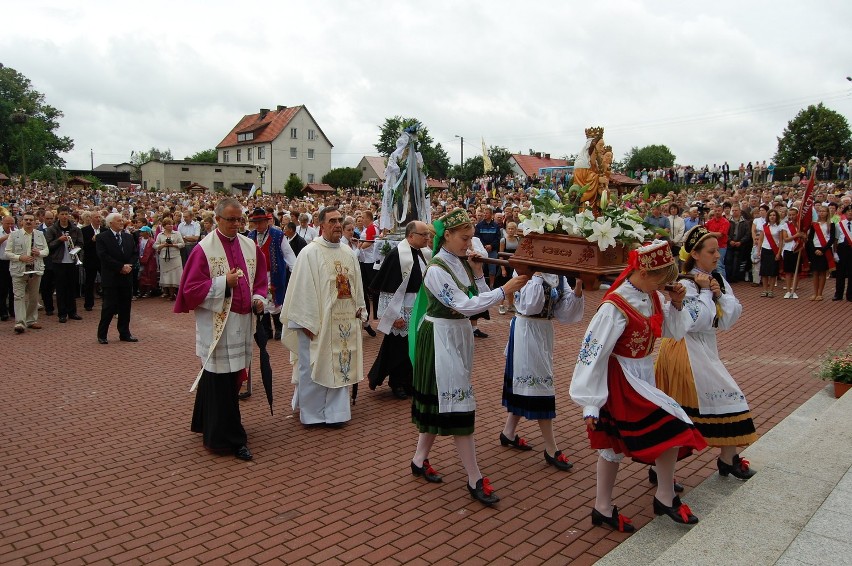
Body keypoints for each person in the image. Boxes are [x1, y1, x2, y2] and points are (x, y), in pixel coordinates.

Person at [570, 240, 706, 532]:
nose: (663, 286)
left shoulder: (652, 296)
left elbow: (672, 330)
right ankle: (651, 498)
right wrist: (590, 403)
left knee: (634, 440)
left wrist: (677, 303)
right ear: (644, 273)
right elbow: (592, 352)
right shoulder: (614, 306)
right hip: (622, 380)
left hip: (643, 373)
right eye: (660, 279)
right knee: (671, 426)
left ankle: (626, 502)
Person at [408, 209, 529, 506]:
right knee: (458, 403)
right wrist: (506, 289)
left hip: (456, 336)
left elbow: (479, 298)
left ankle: (419, 458)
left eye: (471, 238)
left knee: (444, 400)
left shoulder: (461, 263)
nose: (469, 244)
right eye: (464, 238)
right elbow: (466, 305)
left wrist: (477, 273)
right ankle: (474, 477)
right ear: (446, 236)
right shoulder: (437, 269)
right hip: (439, 338)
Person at [656, 227, 757, 485]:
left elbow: (728, 320)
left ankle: (727, 459)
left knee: (690, 411)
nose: (717, 256)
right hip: (684, 350)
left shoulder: (717, 280)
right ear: (696, 254)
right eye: (711, 252)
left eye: (717, 251)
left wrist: (718, 294)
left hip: (705, 349)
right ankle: (662, 468)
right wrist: (703, 293)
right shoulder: (685, 283)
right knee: (689, 410)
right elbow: (694, 322)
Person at [174, 197, 268, 461]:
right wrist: (222, 283)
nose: (237, 224)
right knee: (221, 381)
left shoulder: (250, 246)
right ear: (217, 220)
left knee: (226, 378)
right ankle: (228, 438)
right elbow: (190, 291)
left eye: (240, 219)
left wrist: (259, 299)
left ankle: (204, 422)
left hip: (241, 323)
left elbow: (260, 281)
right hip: (217, 326)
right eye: (231, 219)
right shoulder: (203, 249)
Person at [281, 207, 366, 426]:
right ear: (321, 225)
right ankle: (313, 415)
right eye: (332, 221)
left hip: (344, 322)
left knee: (341, 365)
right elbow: (301, 289)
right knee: (313, 368)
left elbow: (356, 286)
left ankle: (337, 415)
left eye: (340, 220)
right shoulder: (310, 253)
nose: (337, 225)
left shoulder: (348, 253)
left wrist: (359, 309)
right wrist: (304, 322)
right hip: (316, 323)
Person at [500, 272, 584, 472]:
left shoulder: (558, 274)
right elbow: (531, 306)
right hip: (527, 330)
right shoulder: (524, 271)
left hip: (543, 331)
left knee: (529, 383)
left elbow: (564, 312)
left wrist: (579, 285)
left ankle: (508, 432)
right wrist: (536, 276)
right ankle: (551, 448)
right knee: (540, 388)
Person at [367, 221, 431, 399]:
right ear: (411, 236)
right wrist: (394, 315)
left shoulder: (424, 254)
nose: (427, 238)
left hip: (420, 308)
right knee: (399, 349)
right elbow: (388, 288)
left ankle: (410, 381)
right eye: (424, 234)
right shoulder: (397, 255)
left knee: (416, 347)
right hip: (403, 308)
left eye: (428, 234)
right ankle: (397, 383)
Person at [95, 213, 139, 344]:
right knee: (109, 307)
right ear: (110, 223)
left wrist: (129, 265)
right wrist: (120, 267)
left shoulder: (128, 237)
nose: (122, 222)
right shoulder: (102, 237)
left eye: (122, 220)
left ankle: (124, 333)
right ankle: (102, 334)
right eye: (119, 220)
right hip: (112, 277)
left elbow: (134, 253)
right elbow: (103, 256)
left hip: (127, 276)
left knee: (126, 307)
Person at [248, 208, 289, 342]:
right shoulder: (250, 236)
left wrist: (295, 271)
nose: (258, 225)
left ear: (267, 221)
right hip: (257, 275)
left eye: (261, 222)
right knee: (261, 300)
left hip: (274, 273)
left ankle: (279, 327)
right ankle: (266, 330)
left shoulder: (277, 235)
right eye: (256, 222)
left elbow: (288, 254)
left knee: (274, 301)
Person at [5, 213, 47, 333]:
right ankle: (19, 323)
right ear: (21, 222)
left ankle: (31, 320)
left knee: (34, 297)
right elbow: (7, 253)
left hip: (36, 269)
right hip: (19, 269)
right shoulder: (13, 235)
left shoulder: (40, 234)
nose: (28, 222)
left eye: (31, 220)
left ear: (35, 222)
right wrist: (20, 257)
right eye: (26, 220)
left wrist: (39, 253)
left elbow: (46, 250)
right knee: (19, 296)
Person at [45, 205, 84, 323]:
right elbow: (48, 245)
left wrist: (76, 248)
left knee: (72, 288)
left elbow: (81, 244)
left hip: (72, 261)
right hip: (58, 262)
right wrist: (59, 240)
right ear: (58, 215)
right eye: (62, 214)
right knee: (61, 288)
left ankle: (72, 311)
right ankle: (62, 313)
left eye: (66, 214)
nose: (64, 216)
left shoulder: (75, 229)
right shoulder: (52, 229)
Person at [806, 205, 837, 301]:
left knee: (823, 272)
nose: (822, 213)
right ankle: (815, 293)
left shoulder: (831, 224)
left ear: (828, 213)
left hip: (825, 250)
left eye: (824, 211)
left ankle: (820, 293)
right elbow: (810, 239)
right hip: (815, 249)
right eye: (820, 211)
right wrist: (814, 249)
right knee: (815, 272)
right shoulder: (814, 224)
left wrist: (823, 250)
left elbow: (832, 239)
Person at [154, 216, 185, 301]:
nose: (170, 226)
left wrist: (173, 245)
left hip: (175, 257)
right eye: (168, 224)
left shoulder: (177, 233)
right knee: (167, 275)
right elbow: (155, 245)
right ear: (164, 226)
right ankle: (170, 293)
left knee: (176, 275)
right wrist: (163, 245)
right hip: (164, 258)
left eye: (171, 224)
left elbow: (182, 244)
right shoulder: (160, 235)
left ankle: (177, 293)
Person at [780, 208, 805, 299]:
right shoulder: (785, 225)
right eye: (789, 215)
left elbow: (805, 237)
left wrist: (802, 236)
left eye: (793, 214)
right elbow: (785, 239)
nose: (791, 216)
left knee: (796, 271)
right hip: (788, 249)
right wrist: (796, 235)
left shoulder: (801, 226)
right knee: (788, 271)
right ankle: (788, 290)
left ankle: (794, 290)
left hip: (798, 250)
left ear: (797, 215)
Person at [757, 209, 782, 297]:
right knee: (764, 271)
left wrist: (779, 253)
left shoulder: (779, 227)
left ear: (776, 217)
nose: (772, 217)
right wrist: (758, 250)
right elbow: (760, 239)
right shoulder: (764, 226)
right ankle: (765, 290)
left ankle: (771, 290)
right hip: (765, 249)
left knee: (773, 272)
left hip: (774, 250)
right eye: (770, 215)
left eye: (774, 215)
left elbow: (781, 241)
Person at [80, 211, 102, 311]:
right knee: (89, 282)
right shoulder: (85, 230)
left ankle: (107, 301)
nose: (98, 219)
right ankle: (88, 304)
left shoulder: (105, 230)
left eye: (99, 217)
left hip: (102, 260)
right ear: (91, 219)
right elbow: (83, 246)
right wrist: (92, 240)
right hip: (90, 260)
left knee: (106, 281)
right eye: (96, 217)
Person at [725, 205, 751, 283]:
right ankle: (728, 277)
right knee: (729, 260)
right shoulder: (728, 221)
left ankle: (735, 277)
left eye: (736, 210)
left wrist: (741, 242)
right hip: (730, 244)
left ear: (740, 211)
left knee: (737, 261)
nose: (734, 212)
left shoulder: (745, 222)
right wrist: (730, 241)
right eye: (733, 210)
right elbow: (725, 233)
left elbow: (747, 234)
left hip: (740, 244)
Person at [704, 205, 729, 279]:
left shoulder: (725, 222)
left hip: (721, 246)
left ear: (722, 211)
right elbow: (702, 228)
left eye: (719, 211)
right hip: (710, 246)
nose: (717, 212)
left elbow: (720, 234)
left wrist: (708, 232)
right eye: (715, 211)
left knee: (719, 265)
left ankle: (723, 284)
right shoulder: (710, 221)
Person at [833, 205, 852, 301]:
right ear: (845, 212)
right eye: (848, 211)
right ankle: (838, 294)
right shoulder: (839, 224)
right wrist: (835, 252)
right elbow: (836, 239)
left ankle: (850, 295)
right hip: (842, 249)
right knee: (840, 273)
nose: (850, 212)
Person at [0, 214, 16, 321]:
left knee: (14, 288)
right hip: (2, 263)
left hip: (14, 262)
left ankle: (13, 310)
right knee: (2, 288)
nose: (10, 225)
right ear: (2, 223)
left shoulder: (17, 231)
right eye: (7, 223)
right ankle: (2, 312)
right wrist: (7, 236)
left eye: (12, 223)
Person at [137, 226, 158, 297]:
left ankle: (148, 291)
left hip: (150, 261)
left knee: (149, 275)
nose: (141, 233)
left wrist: (143, 259)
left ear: (147, 233)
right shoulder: (140, 240)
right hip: (141, 259)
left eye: (143, 231)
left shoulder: (151, 241)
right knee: (141, 276)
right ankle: (142, 291)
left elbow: (150, 252)